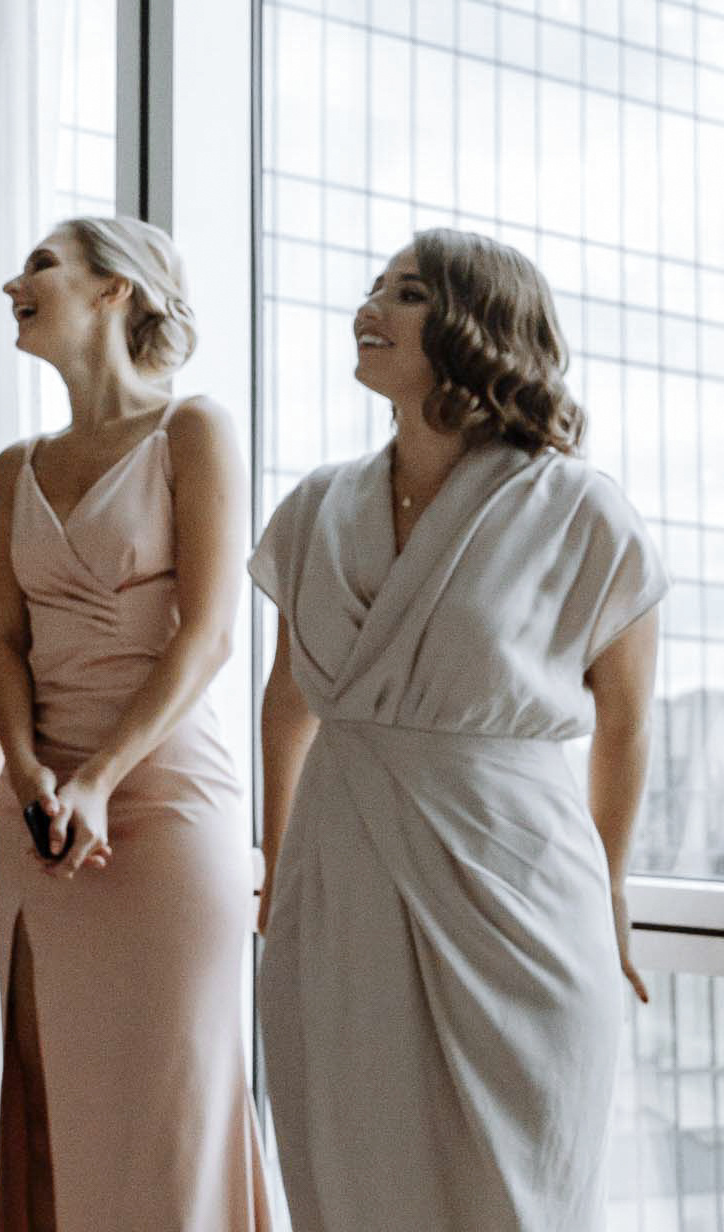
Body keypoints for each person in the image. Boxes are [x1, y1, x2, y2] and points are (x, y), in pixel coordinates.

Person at [251, 230, 667, 1231]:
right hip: (339, 889)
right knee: (353, 1182)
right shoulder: (316, 508)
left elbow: (625, 727)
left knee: (513, 1198)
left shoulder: (579, 510)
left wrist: (608, 890)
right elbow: (285, 704)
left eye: (406, 292)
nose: (370, 306)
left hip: (520, 892)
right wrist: (280, 871)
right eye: (374, 286)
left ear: (478, 327)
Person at [0, 217, 270, 1231]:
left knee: (170, 1108)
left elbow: (211, 634)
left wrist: (99, 778)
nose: (12, 283)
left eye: (41, 265)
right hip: (37, 809)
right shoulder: (15, 466)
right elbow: (2, 640)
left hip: (163, 800)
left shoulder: (193, 430)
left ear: (117, 290)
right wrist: (29, 775)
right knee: (47, 1102)